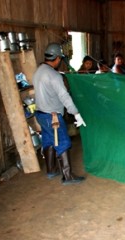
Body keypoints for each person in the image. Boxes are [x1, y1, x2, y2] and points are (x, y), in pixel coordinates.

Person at [33, 42, 87, 185]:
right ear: (57, 58)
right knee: (63, 142)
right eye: (60, 59)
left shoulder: (38, 71)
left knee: (48, 141)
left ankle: (51, 170)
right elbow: (64, 96)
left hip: (40, 114)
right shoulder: (54, 75)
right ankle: (68, 176)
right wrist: (76, 113)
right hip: (53, 116)